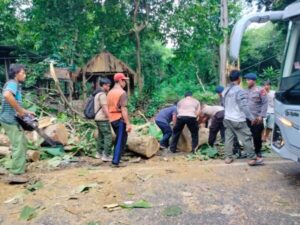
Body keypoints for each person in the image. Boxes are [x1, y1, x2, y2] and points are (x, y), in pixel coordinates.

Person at [0, 64, 35, 183]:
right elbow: (7, 95)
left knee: (22, 142)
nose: (25, 75)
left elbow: (15, 105)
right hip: (9, 120)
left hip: (11, 119)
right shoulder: (12, 84)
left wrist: (25, 111)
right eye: (23, 73)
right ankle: (15, 173)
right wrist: (20, 112)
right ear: (16, 74)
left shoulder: (14, 85)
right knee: (18, 145)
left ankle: (19, 169)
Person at [222, 70, 260, 165]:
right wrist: (251, 118)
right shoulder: (239, 90)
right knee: (246, 137)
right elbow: (243, 106)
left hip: (227, 118)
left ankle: (228, 157)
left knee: (229, 138)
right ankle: (252, 158)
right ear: (239, 78)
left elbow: (223, 103)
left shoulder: (225, 90)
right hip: (238, 119)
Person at [107, 73, 132, 166]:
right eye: (124, 80)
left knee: (119, 139)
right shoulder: (122, 93)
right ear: (120, 80)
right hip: (119, 118)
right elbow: (124, 109)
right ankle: (116, 161)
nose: (125, 83)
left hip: (112, 119)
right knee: (120, 140)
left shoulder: (110, 92)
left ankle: (117, 158)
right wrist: (128, 123)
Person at [244, 73, 268, 159]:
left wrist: (261, 116)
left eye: (248, 80)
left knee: (257, 136)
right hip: (247, 118)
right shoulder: (245, 90)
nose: (247, 81)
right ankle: (249, 151)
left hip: (257, 118)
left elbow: (265, 103)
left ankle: (258, 151)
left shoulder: (260, 90)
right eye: (246, 80)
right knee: (247, 135)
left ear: (253, 81)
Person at [94, 78, 113, 162]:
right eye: (108, 86)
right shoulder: (102, 95)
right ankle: (106, 155)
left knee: (101, 136)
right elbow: (105, 108)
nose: (109, 87)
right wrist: (110, 118)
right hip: (102, 118)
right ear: (104, 85)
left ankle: (99, 153)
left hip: (97, 118)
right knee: (108, 136)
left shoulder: (97, 94)